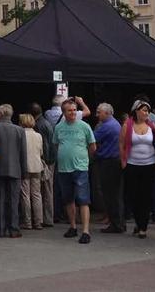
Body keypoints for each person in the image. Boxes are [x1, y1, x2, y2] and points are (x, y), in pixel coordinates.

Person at [54, 98, 95, 244]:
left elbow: (92, 146)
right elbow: (57, 145)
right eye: (69, 110)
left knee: (83, 199)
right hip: (64, 168)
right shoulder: (59, 127)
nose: (72, 113)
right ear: (63, 112)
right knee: (68, 199)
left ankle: (85, 231)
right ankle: (72, 226)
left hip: (80, 167)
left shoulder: (84, 126)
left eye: (74, 110)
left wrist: (85, 160)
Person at [120, 99, 155, 239]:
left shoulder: (152, 126)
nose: (146, 113)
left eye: (147, 111)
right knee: (133, 196)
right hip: (132, 164)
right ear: (136, 111)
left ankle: (143, 227)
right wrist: (123, 161)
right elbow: (122, 143)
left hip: (149, 164)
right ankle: (138, 221)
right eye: (143, 110)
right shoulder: (127, 125)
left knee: (146, 196)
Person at [0, 104, 26, 238]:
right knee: (14, 200)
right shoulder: (19, 130)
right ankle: (14, 229)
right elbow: (23, 153)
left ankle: (0, 229)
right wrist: (24, 171)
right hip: (15, 169)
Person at [93, 103, 124, 234]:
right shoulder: (116, 124)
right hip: (115, 161)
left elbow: (90, 138)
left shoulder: (106, 127)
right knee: (116, 194)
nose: (97, 114)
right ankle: (119, 222)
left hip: (108, 162)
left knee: (109, 194)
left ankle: (115, 223)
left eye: (99, 112)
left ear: (106, 113)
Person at [18, 113, 44, 230]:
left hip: (25, 167)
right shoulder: (38, 136)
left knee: (25, 195)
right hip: (37, 166)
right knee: (37, 194)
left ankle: (27, 222)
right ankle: (38, 222)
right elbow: (41, 152)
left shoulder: (20, 134)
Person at [31, 103, 55, 227]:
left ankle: (47, 218)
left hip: (46, 161)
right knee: (48, 190)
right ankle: (48, 218)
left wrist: (43, 160)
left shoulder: (38, 125)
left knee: (44, 190)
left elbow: (44, 145)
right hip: (51, 160)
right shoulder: (46, 123)